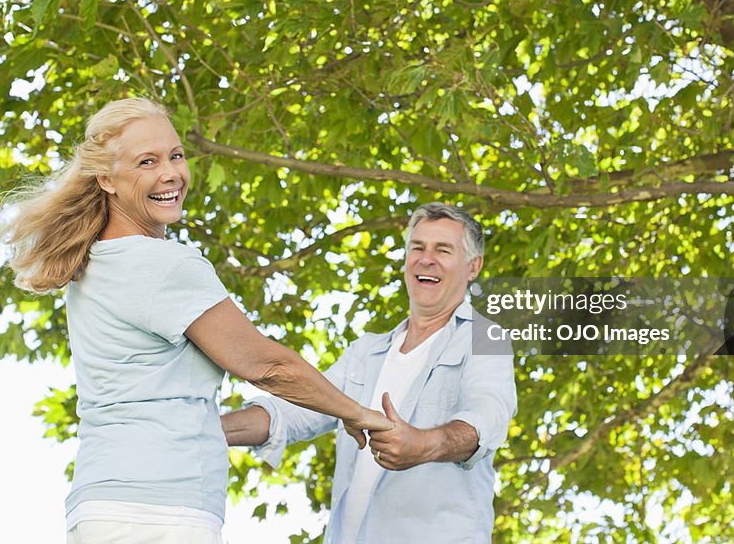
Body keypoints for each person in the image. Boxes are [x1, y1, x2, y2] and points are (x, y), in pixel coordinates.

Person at [0, 97, 391, 544]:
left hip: (106, 505)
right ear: (106, 179)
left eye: (176, 155)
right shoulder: (160, 265)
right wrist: (359, 415)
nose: (170, 174)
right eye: (147, 161)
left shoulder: (97, 263)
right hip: (159, 513)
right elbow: (270, 368)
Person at [221, 203, 517, 544]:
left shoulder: (485, 336)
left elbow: (487, 417)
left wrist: (422, 444)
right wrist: (205, 428)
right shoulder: (365, 351)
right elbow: (296, 411)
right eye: (417, 247)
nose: (426, 258)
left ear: (473, 266)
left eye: (443, 250)